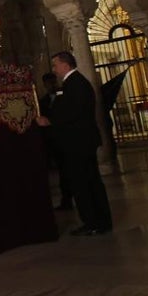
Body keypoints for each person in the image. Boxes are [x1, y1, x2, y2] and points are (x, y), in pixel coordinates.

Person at [35, 52, 113, 236]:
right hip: (80, 142)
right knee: (90, 182)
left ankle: (93, 222)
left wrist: (49, 120)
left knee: (84, 183)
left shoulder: (75, 84)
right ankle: (99, 221)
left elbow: (72, 112)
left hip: (78, 143)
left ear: (65, 65)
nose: (54, 70)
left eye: (55, 65)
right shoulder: (74, 83)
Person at [38, 72, 72, 210]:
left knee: (67, 172)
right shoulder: (43, 101)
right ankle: (65, 200)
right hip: (52, 141)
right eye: (47, 84)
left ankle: (69, 198)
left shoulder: (65, 95)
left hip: (65, 138)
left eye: (52, 82)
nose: (50, 86)